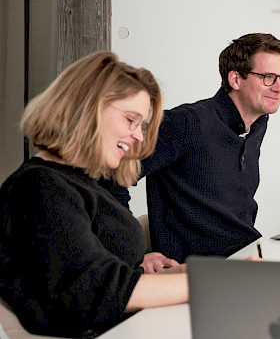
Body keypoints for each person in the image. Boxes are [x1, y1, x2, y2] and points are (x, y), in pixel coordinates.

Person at [0, 51, 188, 337]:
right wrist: (207, 284)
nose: (139, 136)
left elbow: (106, 274)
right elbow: (90, 291)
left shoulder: (81, 182)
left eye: (142, 125)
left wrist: (207, 276)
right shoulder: (41, 186)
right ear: (88, 110)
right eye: (131, 119)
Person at [102, 33, 280, 263]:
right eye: (269, 77)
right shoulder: (184, 123)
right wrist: (135, 254)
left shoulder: (257, 124)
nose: (279, 88)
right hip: (198, 268)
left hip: (244, 254)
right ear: (235, 79)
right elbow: (108, 176)